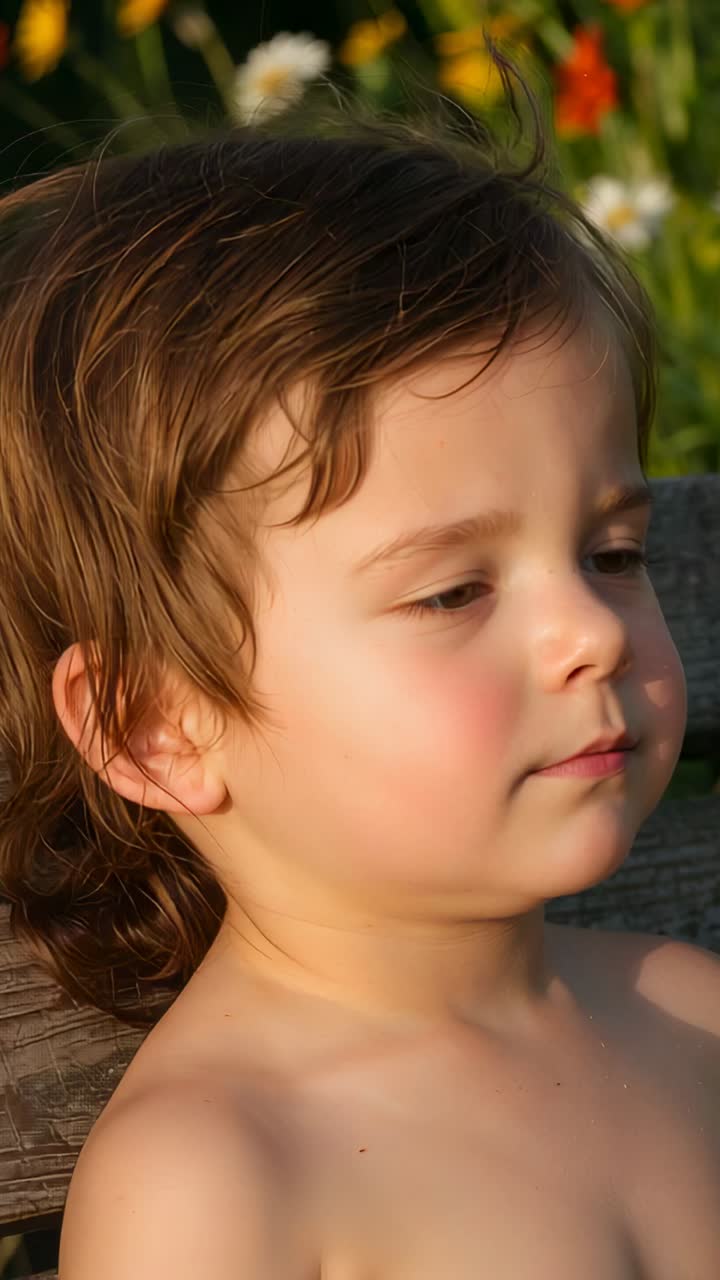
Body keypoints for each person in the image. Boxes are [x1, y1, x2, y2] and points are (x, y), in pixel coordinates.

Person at [1, 47, 719, 1280]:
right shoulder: (220, 1181)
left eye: (612, 549)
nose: (594, 632)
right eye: (454, 589)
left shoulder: (690, 1012)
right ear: (158, 724)